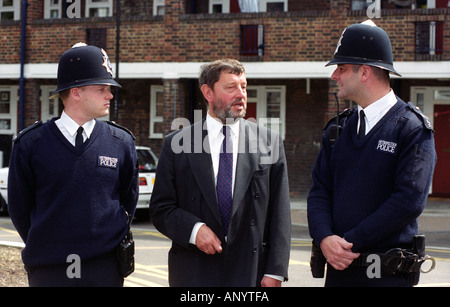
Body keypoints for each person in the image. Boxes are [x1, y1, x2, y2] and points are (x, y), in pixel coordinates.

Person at [307, 20, 437, 287]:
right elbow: (319, 191)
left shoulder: (412, 129)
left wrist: (349, 242)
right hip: (339, 272)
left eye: (341, 68)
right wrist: (324, 237)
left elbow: (408, 201)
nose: (334, 76)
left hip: (386, 277)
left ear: (364, 72)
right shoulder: (337, 130)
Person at [150, 59, 291, 287]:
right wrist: (194, 230)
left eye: (243, 87)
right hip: (194, 273)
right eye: (231, 87)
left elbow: (280, 212)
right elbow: (161, 208)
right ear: (208, 92)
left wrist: (275, 271)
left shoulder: (269, 142)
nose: (241, 94)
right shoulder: (178, 144)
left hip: (251, 273)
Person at [8, 43, 139, 287]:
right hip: (50, 269)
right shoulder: (30, 144)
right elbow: (19, 209)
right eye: (102, 89)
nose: (110, 95)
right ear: (76, 93)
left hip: (105, 269)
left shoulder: (121, 142)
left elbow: (127, 202)